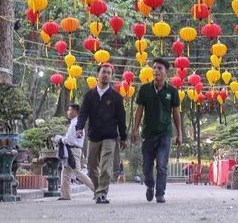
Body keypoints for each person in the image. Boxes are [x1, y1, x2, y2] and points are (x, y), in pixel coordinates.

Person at [132, 58, 182, 204]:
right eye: (154, 68)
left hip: (165, 134)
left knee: (162, 164)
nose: (156, 71)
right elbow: (139, 110)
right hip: (148, 133)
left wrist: (179, 133)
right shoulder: (144, 89)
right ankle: (150, 185)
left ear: (166, 71)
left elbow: (176, 113)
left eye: (159, 68)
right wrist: (135, 129)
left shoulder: (172, 91)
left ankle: (160, 193)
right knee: (147, 168)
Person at [76, 63, 127, 204]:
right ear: (97, 74)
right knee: (92, 167)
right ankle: (98, 190)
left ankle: (102, 194)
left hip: (110, 136)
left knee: (105, 166)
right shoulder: (89, 95)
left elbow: (121, 118)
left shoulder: (116, 96)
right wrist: (79, 128)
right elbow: (83, 114)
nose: (106, 75)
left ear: (111, 76)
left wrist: (123, 137)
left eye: (109, 73)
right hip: (93, 136)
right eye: (103, 72)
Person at [56, 104, 95, 200]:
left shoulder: (75, 123)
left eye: (70, 110)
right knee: (65, 172)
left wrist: (60, 139)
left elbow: (69, 139)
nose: (68, 112)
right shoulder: (77, 122)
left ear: (75, 111)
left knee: (77, 171)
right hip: (72, 149)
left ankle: (97, 189)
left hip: (73, 149)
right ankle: (65, 195)